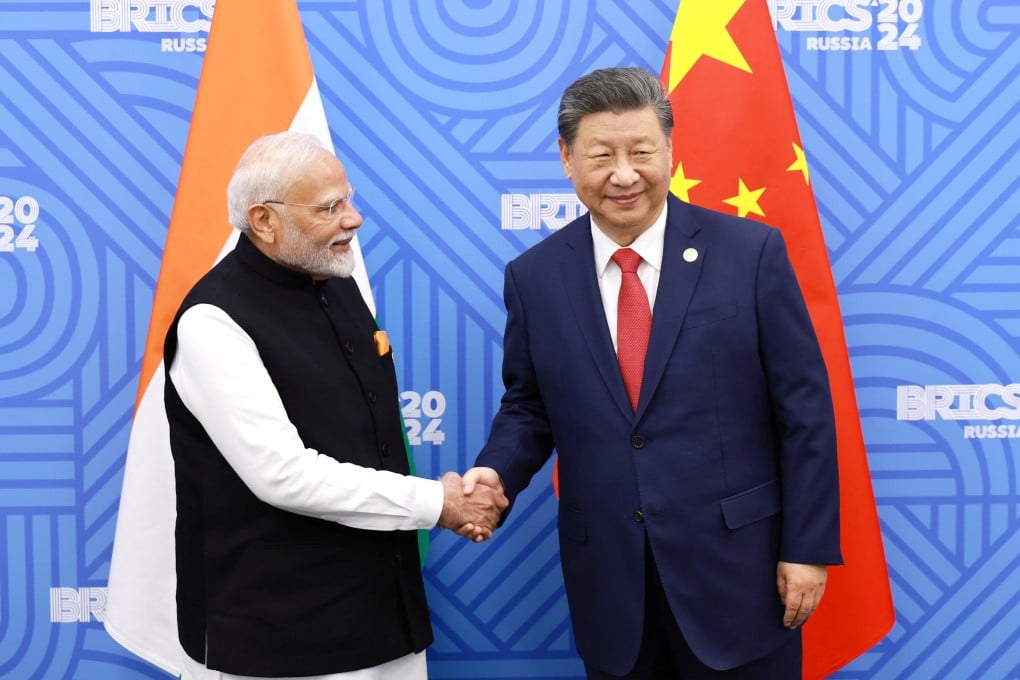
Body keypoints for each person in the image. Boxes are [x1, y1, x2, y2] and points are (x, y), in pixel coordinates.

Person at [463, 67, 842, 679]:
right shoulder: (533, 278)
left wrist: (807, 546)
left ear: (669, 150)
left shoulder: (750, 254)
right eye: (601, 156)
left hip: (741, 576)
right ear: (566, 159)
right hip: (612, 585)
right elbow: (529, 405)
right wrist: (495, 472)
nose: (624, 175)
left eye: (641, 152)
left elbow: (805, 412)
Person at [164, 131, 507, 680]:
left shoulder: (336, 280)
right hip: (282, 637)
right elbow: (284, 476)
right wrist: (438, 502)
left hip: (386, 615)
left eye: (348, 199)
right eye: (330, 207)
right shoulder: (213, 321)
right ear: (264, 220)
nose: (354, 219)